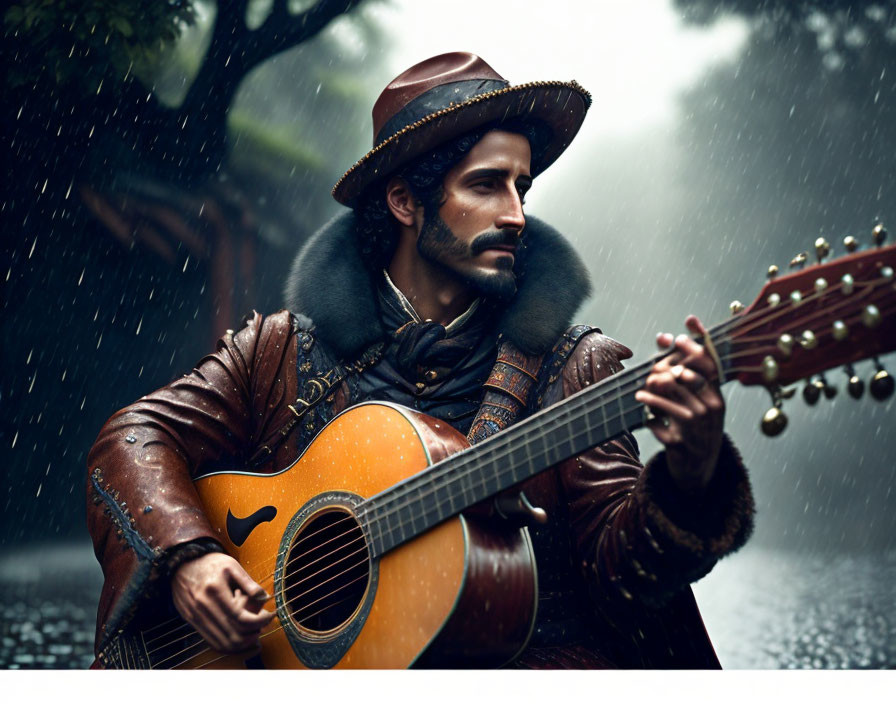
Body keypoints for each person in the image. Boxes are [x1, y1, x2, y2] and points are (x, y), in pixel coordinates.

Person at [86, 52, 754, 669]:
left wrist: (690, 477)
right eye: (487, 185)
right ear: (406, 201)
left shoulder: (576, 369)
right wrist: (189, 558)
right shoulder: (279, 354)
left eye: (523, 187)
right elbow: (134, 438)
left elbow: (625, 582)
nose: (517, 215)